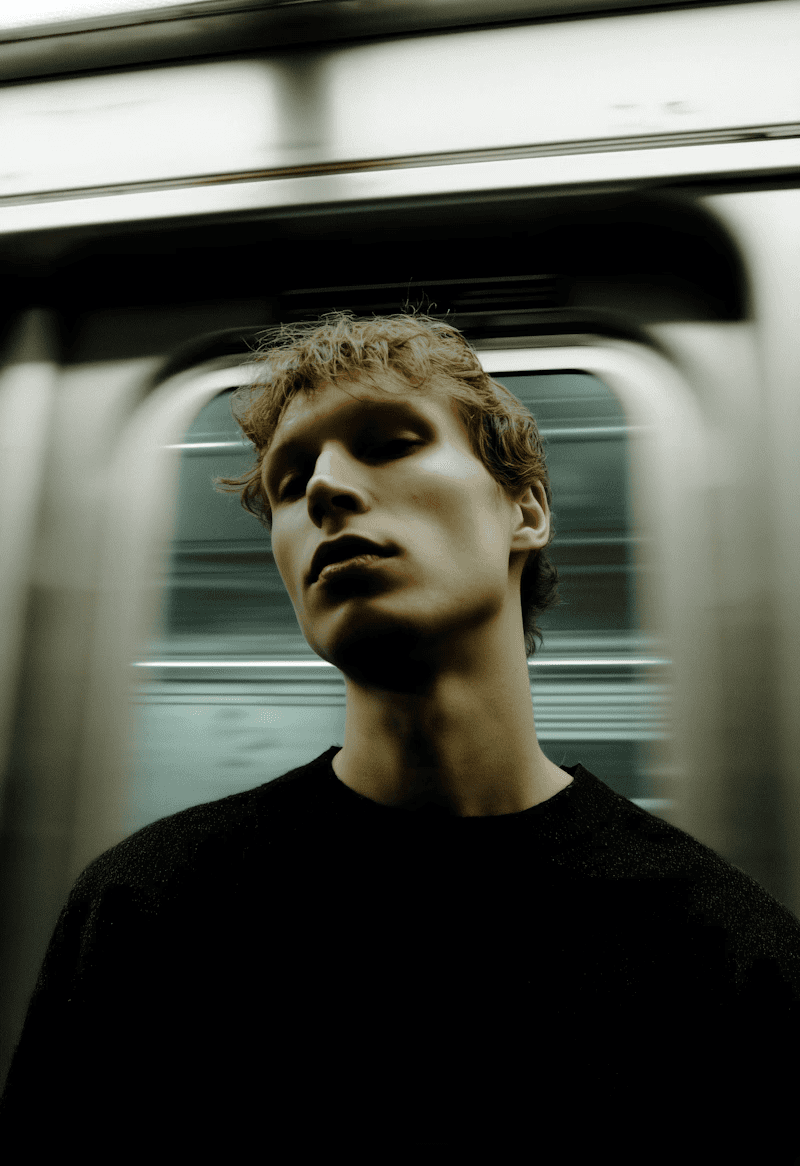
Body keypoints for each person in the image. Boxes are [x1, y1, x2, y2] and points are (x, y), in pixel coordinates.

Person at [1, 312, 798, 1162]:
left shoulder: (726, 958)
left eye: (389, 442)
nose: (324, 491)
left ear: (525, 510)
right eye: (289, 479)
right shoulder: (144, 919)